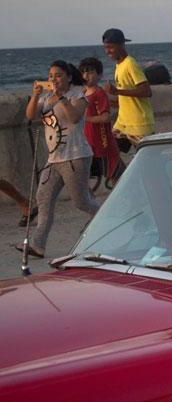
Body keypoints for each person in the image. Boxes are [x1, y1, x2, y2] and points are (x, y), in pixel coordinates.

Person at [19, 61, 100, 258]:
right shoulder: (46, 97)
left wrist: (62, 98)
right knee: (43, 198)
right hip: (54, 159)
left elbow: (74, 118)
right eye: (51, 75)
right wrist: (36, 95)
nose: (54, 79)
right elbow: (30, 115)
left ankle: (106, 217)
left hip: (76, 157)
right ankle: (38, 245)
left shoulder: (78, 94)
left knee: (81, 202)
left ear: (69, 77)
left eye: (59, 75)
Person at [102, 28, 154, 148]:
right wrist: (117, 102)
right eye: (105, 47)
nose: (107, 51)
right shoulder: (119, 65)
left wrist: (117, 91)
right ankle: (120, 168)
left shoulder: (130, 63)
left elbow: (146, 91)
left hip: (138, 124)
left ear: (122, 45)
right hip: (123, 123)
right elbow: (129, 93)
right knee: (109, 149)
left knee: (146, 158)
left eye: (110, 47)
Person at [79, 57, 121, 183]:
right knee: (83, 180)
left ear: (99, 75)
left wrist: (85, 119)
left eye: (91, 72)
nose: (86, 75)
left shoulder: (99, 94)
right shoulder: (82, 93)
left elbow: (106, 117)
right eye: (83, 72)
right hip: (88, 145)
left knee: (116, 176)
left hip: (103, 144)